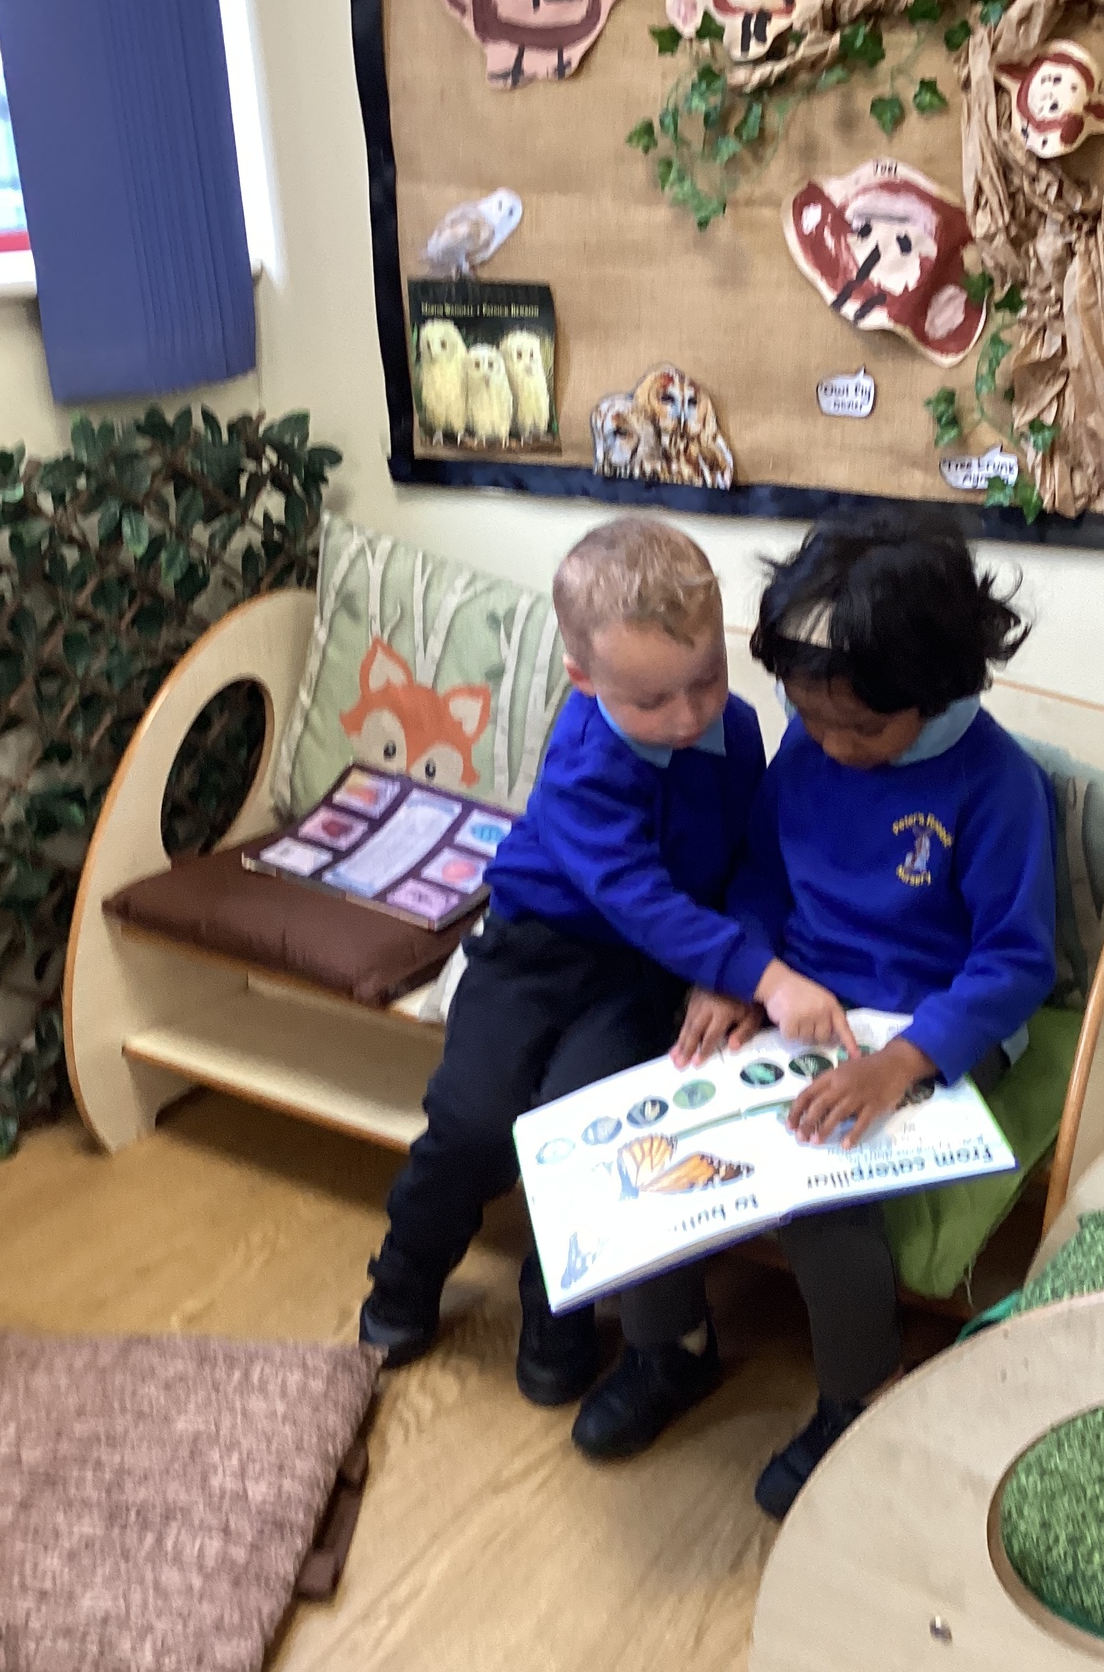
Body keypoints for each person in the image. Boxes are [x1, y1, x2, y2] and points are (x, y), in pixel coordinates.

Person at [358, 517, 850, 1456]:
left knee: (586, 1128)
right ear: (583, 679)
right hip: (537, 951)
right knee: (471, 1121)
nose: (690, 714)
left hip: (643, 971)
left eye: (708, 678)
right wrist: (763, 974)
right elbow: (636, 895)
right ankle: (404, 1280)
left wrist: (733, 968)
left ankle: (560, 1306)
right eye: (653, 699)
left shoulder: (736, 730)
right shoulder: (586, 758)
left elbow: (748, 861)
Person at [664, 511, 1059, 1516]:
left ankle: (856, 1394)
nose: (832, 746)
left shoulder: (997, 785)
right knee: (669, 1110)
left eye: (864, 730)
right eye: (810, 716)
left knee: (822, 1193)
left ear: (938, 692)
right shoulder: (809, 745)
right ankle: (669, 1344)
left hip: (933, 1025)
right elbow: (761, 877)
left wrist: (904, 1062)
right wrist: (740, 973)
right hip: (806, 998)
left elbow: (1016, 961)